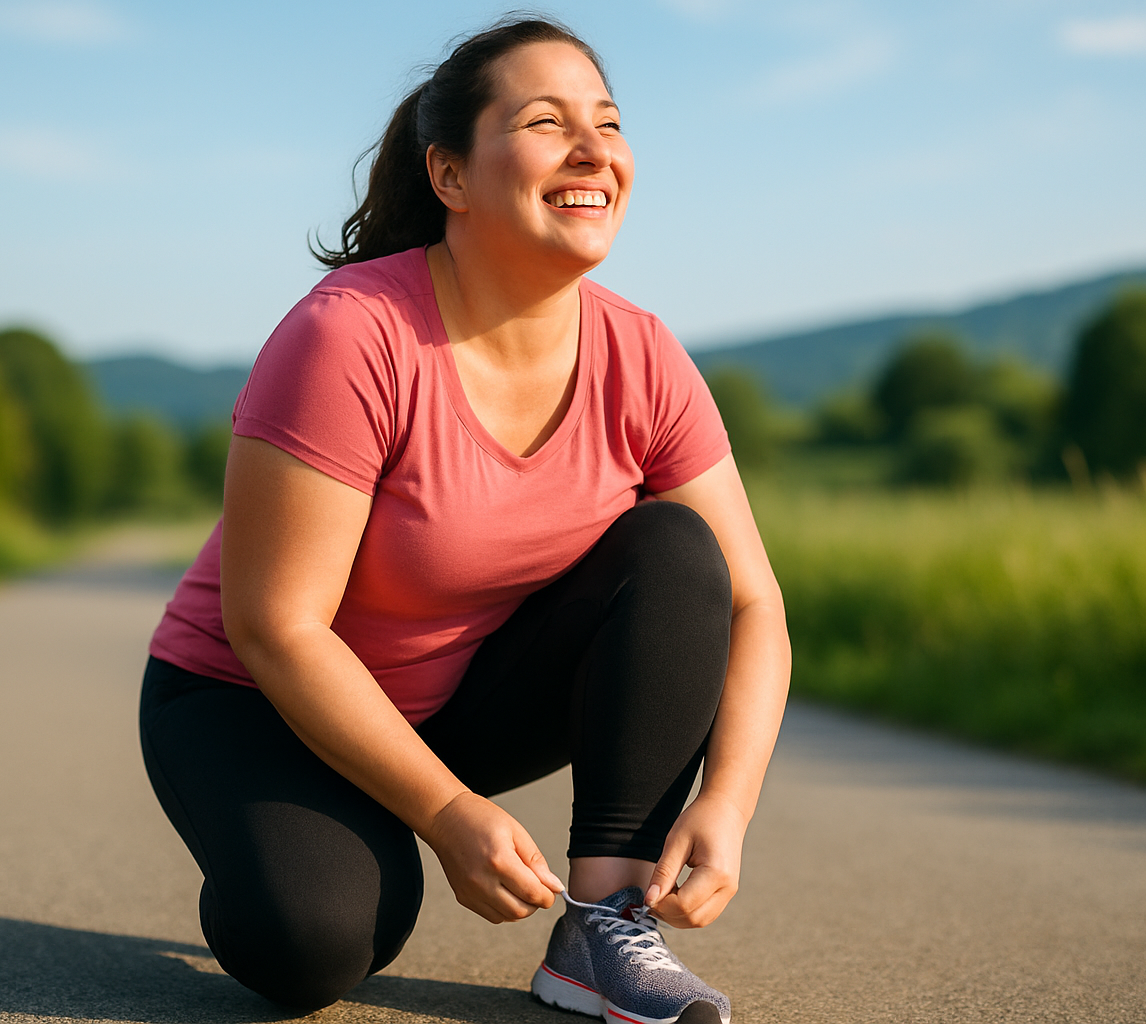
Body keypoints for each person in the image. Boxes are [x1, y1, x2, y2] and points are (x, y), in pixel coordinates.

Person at [139, 17, 790, 1024]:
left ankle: (604, 929)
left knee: (675, 549)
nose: (594, 150)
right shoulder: (353, 333)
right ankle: (292, 836)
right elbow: (277, 626)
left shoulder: (645, 354)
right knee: (311, 943)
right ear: (449, 175)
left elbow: (751, 602)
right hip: (250, 703)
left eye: (608, 124)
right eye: (545, 122)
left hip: (451, 705)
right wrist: (443, 815)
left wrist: (729, 802)